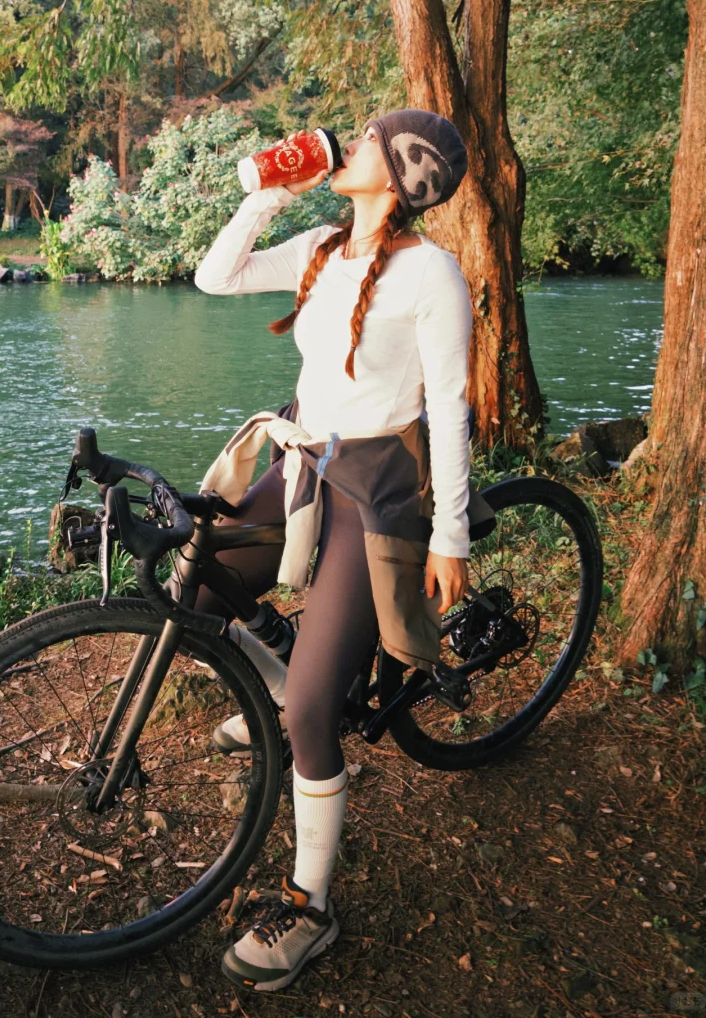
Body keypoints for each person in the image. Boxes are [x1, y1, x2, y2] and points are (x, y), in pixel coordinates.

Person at [193, 109, 473, 993]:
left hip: (373, 483)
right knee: (200, 587)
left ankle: (309, 904)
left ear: (399, 174)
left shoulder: (433, 274)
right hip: (302, 457)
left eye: (364, 141)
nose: (345, 147)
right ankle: (282, 683)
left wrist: (454, 534)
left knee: (314, 709)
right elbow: (214, 275)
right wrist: (266, 197)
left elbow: (453, 410)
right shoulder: (321, 243)